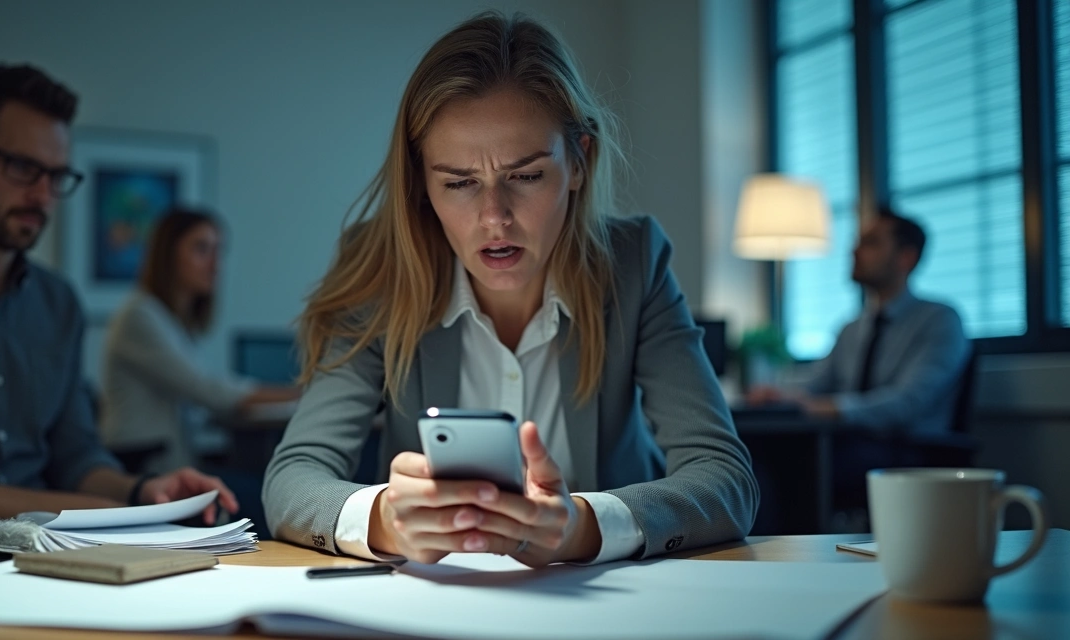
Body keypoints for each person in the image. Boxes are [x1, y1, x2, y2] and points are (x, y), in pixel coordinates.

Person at [263, 12, 758, 567]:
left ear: (578, 161)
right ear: (422, 184)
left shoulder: (633, 263)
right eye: (458, 183)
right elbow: (292, 478)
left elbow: (725, 478)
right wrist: (387, 519)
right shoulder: (382, 269)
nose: (494, 218)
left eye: (524, 177)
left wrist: (582, 526)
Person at [0, 64, 236, 530]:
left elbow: (76, 456)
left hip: (47, 557)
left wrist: (141, 490)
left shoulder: (58, 303)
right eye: (22, 168)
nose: (43, 195)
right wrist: (86, 512)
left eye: (56, 176)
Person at [99, 208, 300, 475]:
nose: (215, 264)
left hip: (169, 460)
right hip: (143, 465)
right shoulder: (139, 315)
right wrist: (300, 394)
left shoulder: (174, 322)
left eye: (219, 251)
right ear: (168, 255)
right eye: (201, 249)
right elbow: (207, 389)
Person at [746, 208, 970, 435]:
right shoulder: (851, 329)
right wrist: (778, 396)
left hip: (906, 452)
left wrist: (832, 408)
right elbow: (816, 384)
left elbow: (908, 402)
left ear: (906, 257)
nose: (854, 251)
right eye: (857, 242)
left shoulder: (939, 321)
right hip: (847, 443)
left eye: (870, 243)